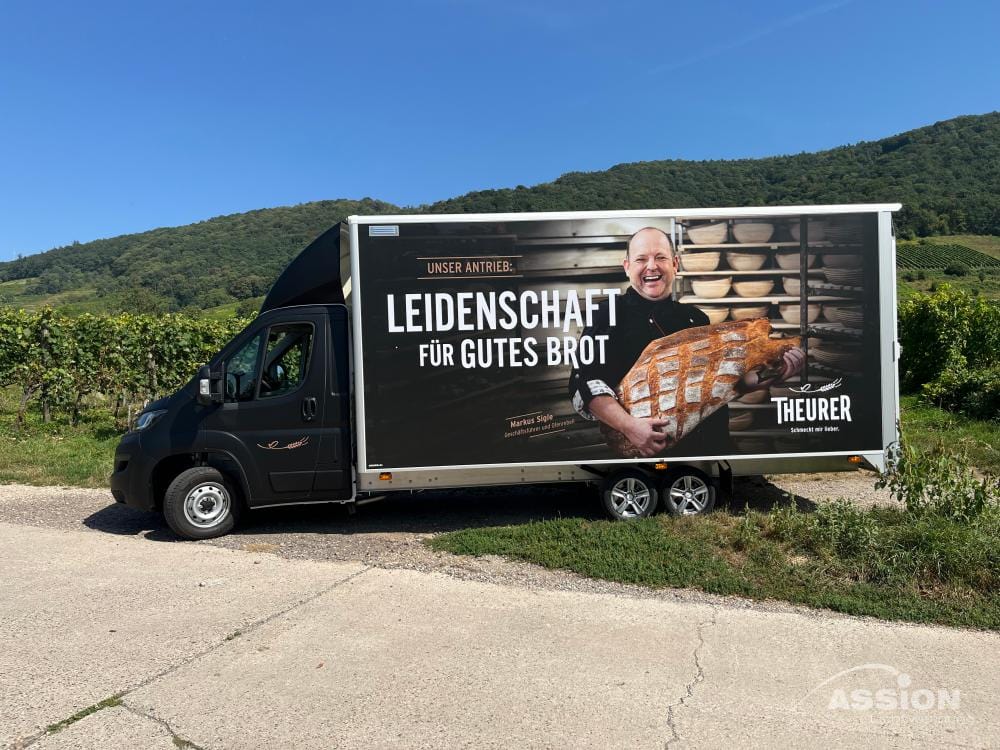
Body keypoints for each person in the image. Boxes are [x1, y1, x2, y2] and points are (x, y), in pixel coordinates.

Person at [569, 226, 804, 457]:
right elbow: (584, 384)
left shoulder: (695, 318)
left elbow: (718, 385)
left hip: (710, 447)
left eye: (660, 257)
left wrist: (771, 375)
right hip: (653, 454)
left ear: (675, 264)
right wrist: (630, 427)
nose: (652, 266)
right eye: (641, 259)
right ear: (627, 267)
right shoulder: (608, 314)